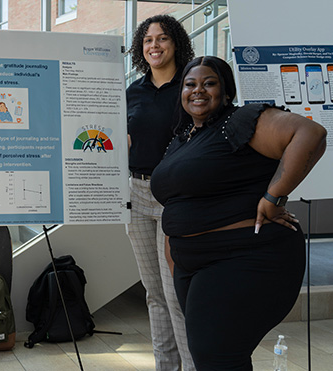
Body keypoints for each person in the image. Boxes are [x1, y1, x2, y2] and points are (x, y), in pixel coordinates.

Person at [150, 56, 327, 369]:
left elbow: (309, 133)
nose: (198, 90)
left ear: (226, 90)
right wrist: (174, 256)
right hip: (191, 264)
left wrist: (274, 196)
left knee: (216, 356)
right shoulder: (182, 139)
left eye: (209, 83)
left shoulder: (240, 121)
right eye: (190, 84)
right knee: (215, 356)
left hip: (242, 257)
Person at [125, 14, 195, 370]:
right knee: (153, 294)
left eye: (162, 38)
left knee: (175, 294)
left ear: (175, 44)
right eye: (148, 40)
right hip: (135, 194)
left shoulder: (191, 84)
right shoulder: (133, 91)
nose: (154, 45)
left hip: (175, 197)